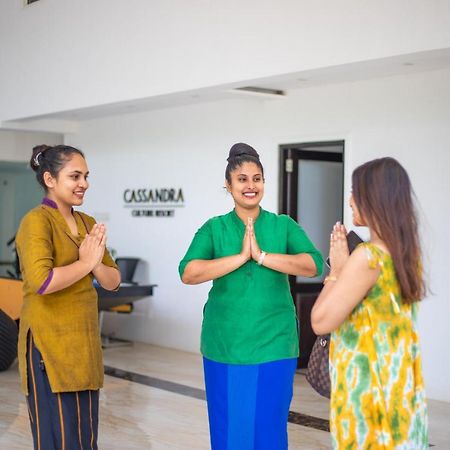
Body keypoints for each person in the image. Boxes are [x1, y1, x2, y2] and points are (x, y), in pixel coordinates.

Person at [179, 143, 323, 450]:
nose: (250, 185)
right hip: (225, 345)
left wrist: (261, 256)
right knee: (230, 428)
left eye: (257, 178)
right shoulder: (214, 228)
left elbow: (313, 264)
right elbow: (188, 272)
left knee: (269, 427)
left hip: (275, 343)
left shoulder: (282, 225)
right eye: (242, 179)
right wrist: (240, 257)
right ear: (228, 185)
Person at [311, 157, 428, 449]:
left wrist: (336, 271)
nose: (350, 199)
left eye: (356, 191)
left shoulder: (368, 257)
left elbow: (321, 321)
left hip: (368, 403)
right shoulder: (405, 257)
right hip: (399, 396)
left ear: (375, 199)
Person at [16, 144, 121, 450]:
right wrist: (86, 264)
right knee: (57, 437)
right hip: (49, 345)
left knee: (85, 438)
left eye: (86, 176)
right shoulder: (36, 221)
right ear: (50, 179)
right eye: (75, 176)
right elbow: (42, 281)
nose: (84, 183)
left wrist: (96, 263)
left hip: (84, 346)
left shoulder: (87, 222)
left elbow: (113, 281)